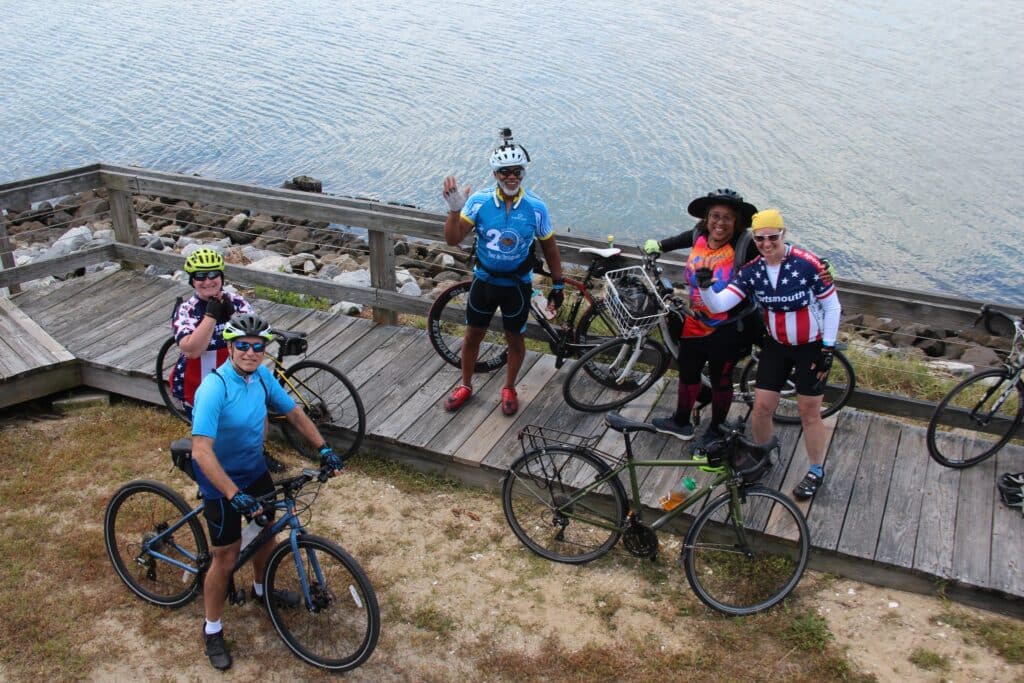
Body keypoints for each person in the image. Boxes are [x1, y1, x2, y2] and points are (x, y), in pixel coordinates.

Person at [191, 314, 344, 670]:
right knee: (226, 557)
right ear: (230, 347)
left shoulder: (261, 376)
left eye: (258, 347)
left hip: (253, 469)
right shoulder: (215, 388)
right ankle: (212, 628)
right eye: (242, 346)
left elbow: (293, 413)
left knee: (264, 533)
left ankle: (262, 590)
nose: (250, 352)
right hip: (219, 478)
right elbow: (200, 450)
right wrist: (231, 493)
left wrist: (323, 448)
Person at [696, 209, 841, 500]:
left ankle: (815, 470)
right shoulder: (752, 271)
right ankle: (764, 456)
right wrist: (706, 287)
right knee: (761, 407)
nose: (766, 243)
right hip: (776, 345)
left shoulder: (807, 264)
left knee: (809, 412)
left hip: (810, 346)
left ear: (783, 235)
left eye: (772, 237)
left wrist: (828, 347)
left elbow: (832, 306)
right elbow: (720, 304)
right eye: (759, 238)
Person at [440, 129, 564, 416]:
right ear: (496, 174)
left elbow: (551, 248)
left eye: (517, 172)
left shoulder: (536, 207)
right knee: (472, 336)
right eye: (505, 172)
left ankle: (509, 387)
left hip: (517, 286)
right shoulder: (479, 202)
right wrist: (453, 210)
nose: (512, 177)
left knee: (515, 339)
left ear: (522, 174)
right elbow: (453, 238)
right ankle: (466, 385)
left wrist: (558, 285)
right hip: (484, 282)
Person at [644, 188, 759, 445]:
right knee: (687, 371)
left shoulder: (745, 245)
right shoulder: (699, 235)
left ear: (737, 221)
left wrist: (815, 264)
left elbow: (776, 250)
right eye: (715, 216)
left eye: (727, 217)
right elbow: (681, 239)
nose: (720, 223)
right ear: (706, 218)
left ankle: (717, 428)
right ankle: (681, 422)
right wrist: (659, 246)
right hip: (696, 322)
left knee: (721, 379)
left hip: (729, 327)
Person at [170, 247, 284, 473]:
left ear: (222, 277)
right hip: (200, 378)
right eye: (200, 276)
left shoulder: (237, 301)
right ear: (192, 281)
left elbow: (254, 335)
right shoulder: (186, 309)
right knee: (215, 431)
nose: (208, 281)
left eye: (213, 274)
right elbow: (192, 349)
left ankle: (258, 453)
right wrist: (211, 315)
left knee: (257, 413)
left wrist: (232, 316)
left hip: (236, 371)